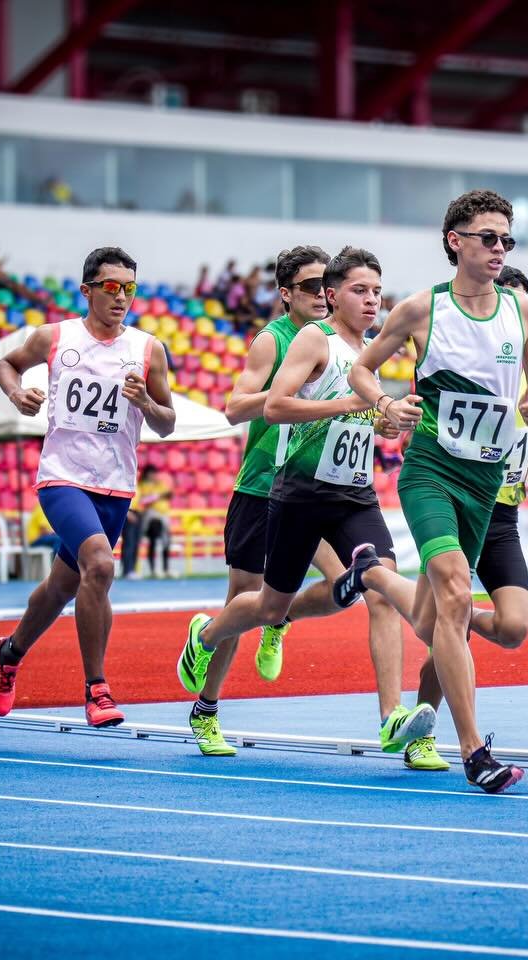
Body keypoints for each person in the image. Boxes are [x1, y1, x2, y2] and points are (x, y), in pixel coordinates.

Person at [177, 246, 433, 760]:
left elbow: (364, 417)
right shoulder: (292, 340)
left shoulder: (369, 351)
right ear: (295, 294)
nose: (369, 300)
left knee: (371, 587)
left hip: (351, 491)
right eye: (353, 290)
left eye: (376, 291)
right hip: (281, 487)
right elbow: (262, 406)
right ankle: (209, 658)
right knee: (257, 600)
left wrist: (385, 418)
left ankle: (392, 720)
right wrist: (348, 402)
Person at [350, 190, 528, 793]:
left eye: (506, 240)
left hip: (486, 484)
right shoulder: (420, 310)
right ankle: (473, 752)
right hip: (432, 474)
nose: (498, 249)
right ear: (454, 241)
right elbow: (363, 367)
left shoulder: (525, 312)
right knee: (457, 599)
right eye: (487, 237)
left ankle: (374, 575)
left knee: (440, 617)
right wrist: (386, 402)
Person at [0, 246, 176, 726]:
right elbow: (6, 365)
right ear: (88, 290)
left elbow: (168, 422)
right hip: (62, 477)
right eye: (111, 287)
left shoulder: (148, 349)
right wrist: (17, 393)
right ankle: (97, 689)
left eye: (129, 288)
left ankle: (9, 653)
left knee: (60, 587)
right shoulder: (54, 337)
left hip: (116, 484)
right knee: (99, 566)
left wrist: (146, 405)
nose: (121, 297)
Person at [185, 245, 349, 756]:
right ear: (285, 294)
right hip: (262, 487)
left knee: (347, 583)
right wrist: (289, 385)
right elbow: (234, 407)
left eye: (328, 284)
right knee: (242, 602)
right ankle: (206, 710)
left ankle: (280, 619)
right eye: (309, 286)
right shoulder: (272, 341)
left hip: (316, 486)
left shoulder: (342, 339)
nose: (322, 294)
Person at [401, 263, 528, 773]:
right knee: (452, 607)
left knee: (509, 629)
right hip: (444, 486)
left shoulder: (521, 357)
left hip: (498, 513)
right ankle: (453, 744)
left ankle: (374, 577)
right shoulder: (456, 343)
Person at [138, 464, 174, 578]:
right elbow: (143, 500)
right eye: (151, 473)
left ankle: (166, 569)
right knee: (153, 542)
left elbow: (169, 494)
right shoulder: (143, 485)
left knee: (166, 542)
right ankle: (153, 569)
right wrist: (158, 496)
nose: (153, 475)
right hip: (151, 517)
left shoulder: (160, 484)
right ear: (147, 474)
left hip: (164, 515)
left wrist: (156, 496)